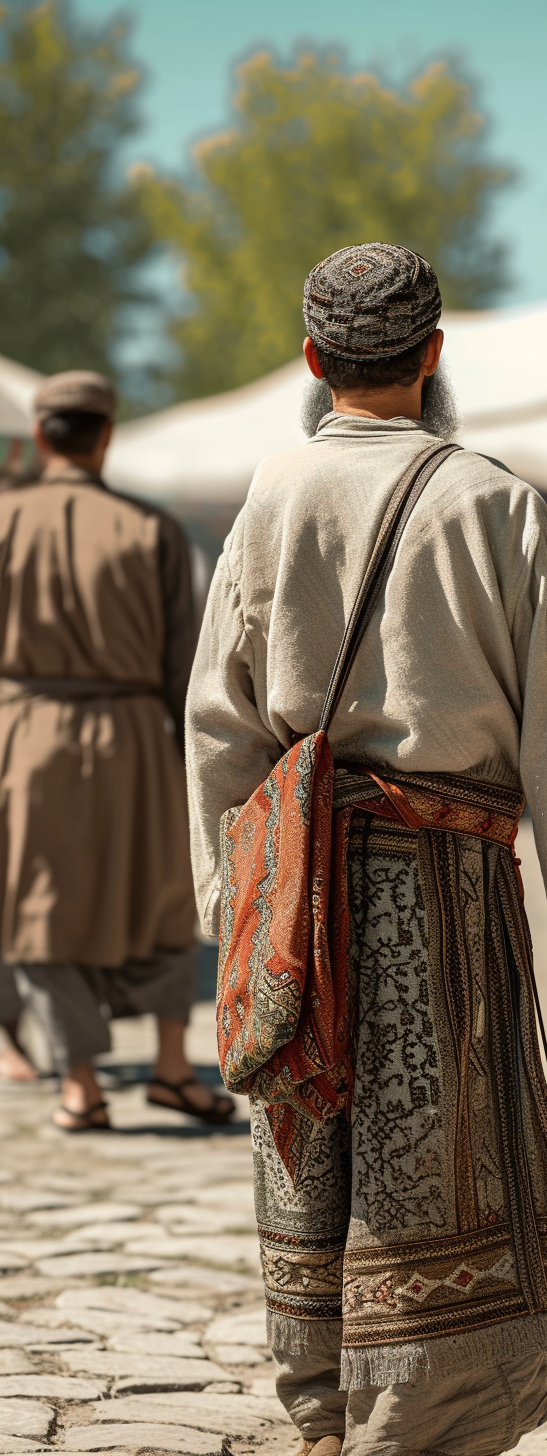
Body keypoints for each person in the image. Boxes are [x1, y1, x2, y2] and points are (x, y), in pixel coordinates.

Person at [186, 243, 547, 1456]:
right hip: (446, 898)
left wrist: (234, 920)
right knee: (438, 1182)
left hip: (298, 903)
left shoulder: (270, 498)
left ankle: (320, 1415)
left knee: (311, 1159)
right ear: (436, 357)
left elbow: (219, 728)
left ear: (313, 362)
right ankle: (418, 1427)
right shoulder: (496, 503)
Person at [0, 370, 233, 1129]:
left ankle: (79, 1085)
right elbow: (185, 666)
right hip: (137, 735)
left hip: (25, 734)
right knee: (160, 897)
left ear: (40, 438)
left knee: (40, 908)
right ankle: (172, 1067)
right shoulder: (152, 528)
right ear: (105, 437)